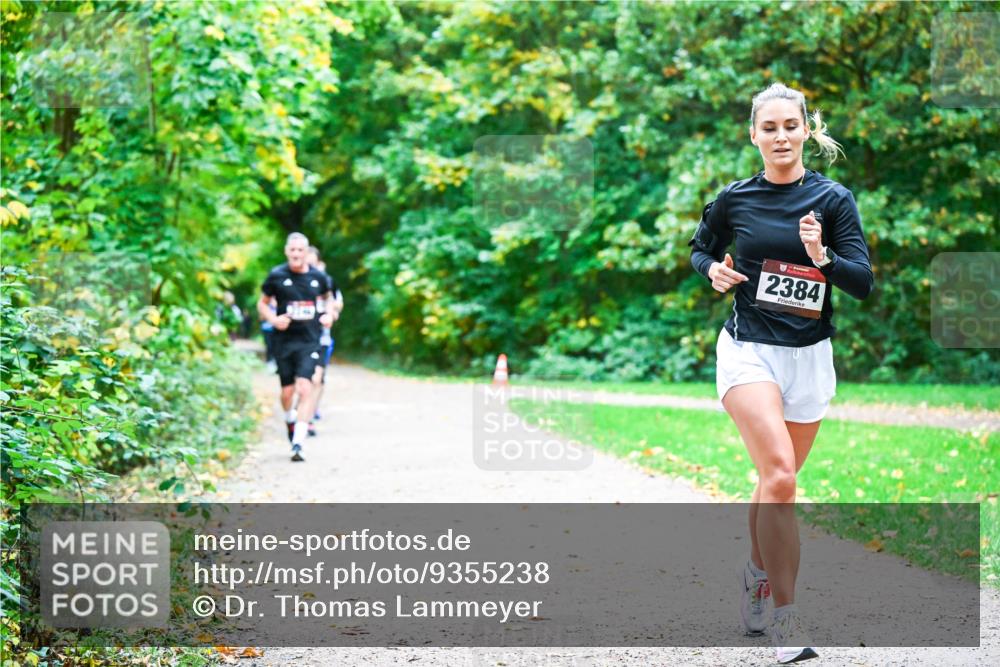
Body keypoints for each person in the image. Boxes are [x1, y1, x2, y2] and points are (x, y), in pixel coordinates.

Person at [688, 83, 873, 664]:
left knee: (776, 483)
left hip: (809, 356)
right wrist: (712, 272)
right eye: (768, 128)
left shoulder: (834, 200)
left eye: (790, 126)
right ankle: (788, 621)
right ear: (754, 135)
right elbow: (701, 249)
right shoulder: (735, 199)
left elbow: (861, 281)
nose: (780, 137)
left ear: (805, 131)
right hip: (749, 351)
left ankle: (755, 579)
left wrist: (823, 258)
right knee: (780, 475)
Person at [258, 233, 336, 462]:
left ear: (306, 252)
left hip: (309, 341)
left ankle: (298, 444)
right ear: (286, 251)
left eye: (300, 250)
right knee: (287, 393)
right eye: (292, 250)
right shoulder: (277, 276)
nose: (296, 254)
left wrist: (329, 314)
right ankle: (289, 419)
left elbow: (328, 298)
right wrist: (273, 320)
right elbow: (262, 303)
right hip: (284, 342)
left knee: (305, 388)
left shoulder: (318, 277)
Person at [304, 246, 343, 435]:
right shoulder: (295, 281)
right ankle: (301, 414)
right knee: (303, 381)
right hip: (298, 339)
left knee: (317, 380)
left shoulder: (327, 283)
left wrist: (331, 313)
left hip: (321, 339)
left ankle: (309, 416)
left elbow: (337, 304)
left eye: (313, 262)